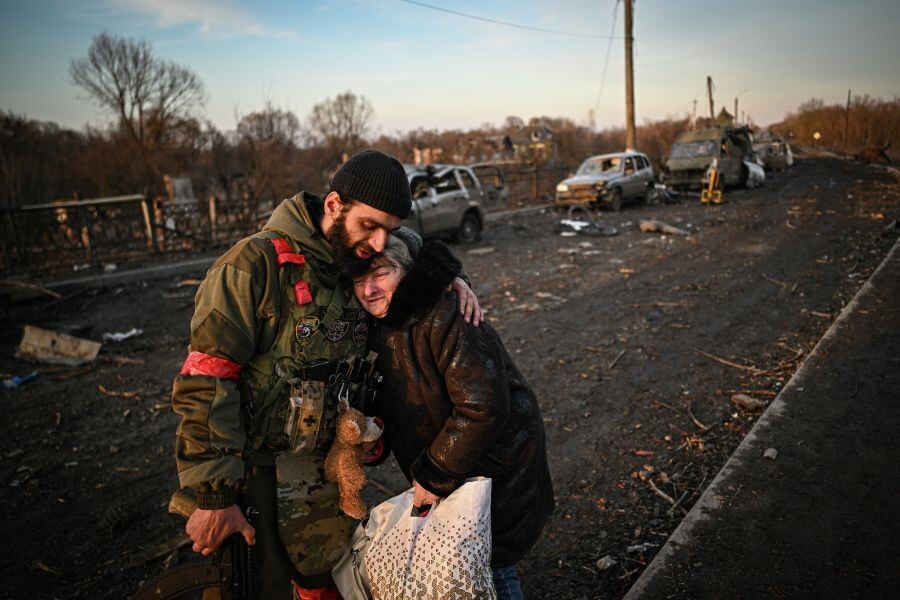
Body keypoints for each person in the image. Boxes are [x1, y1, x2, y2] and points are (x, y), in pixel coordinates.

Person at [171, 150, 481, 600]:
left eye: (387, 231)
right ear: (333, 205)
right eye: (369, 226)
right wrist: (215, 496)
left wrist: (453, 277)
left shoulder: (359, 256)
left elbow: (418, 249)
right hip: (253, 479)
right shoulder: (252, 267)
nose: (377, 244)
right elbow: (207, 380)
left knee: (333, 588)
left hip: (329, 479)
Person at [353, 229, 555, 600]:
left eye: (381, 274)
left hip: (495, 466)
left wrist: (435, 474)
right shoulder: (379, 326)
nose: (369, 290)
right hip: (458, 467)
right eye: (360, 280)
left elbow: (483, 406)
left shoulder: (447, 314)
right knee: (472, 560)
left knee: (491, 564)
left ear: (406, 272)